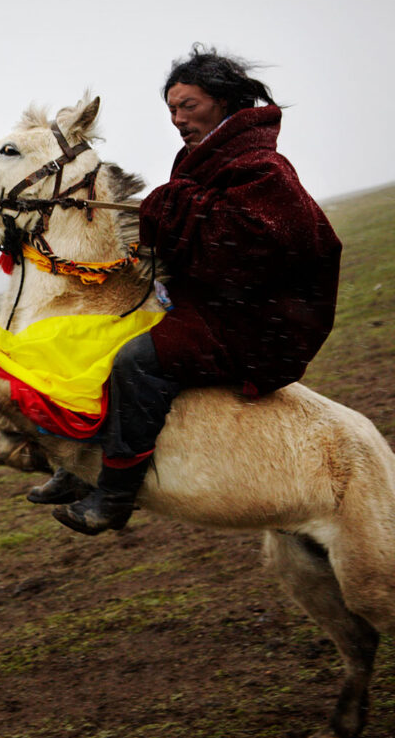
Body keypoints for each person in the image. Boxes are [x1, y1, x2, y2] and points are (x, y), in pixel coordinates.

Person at [46, 44, 343, 535]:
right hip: (214, 306)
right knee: (107, 339)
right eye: (171, 109)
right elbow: (199, 228)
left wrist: (176, 205)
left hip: (256, 324)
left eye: (188, 106)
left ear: (223, 102)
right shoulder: (204, 159)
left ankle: (115, 495)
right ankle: (79, 466)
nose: (177, 118)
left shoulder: (265, 170)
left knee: (136, 361)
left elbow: (264, 243)